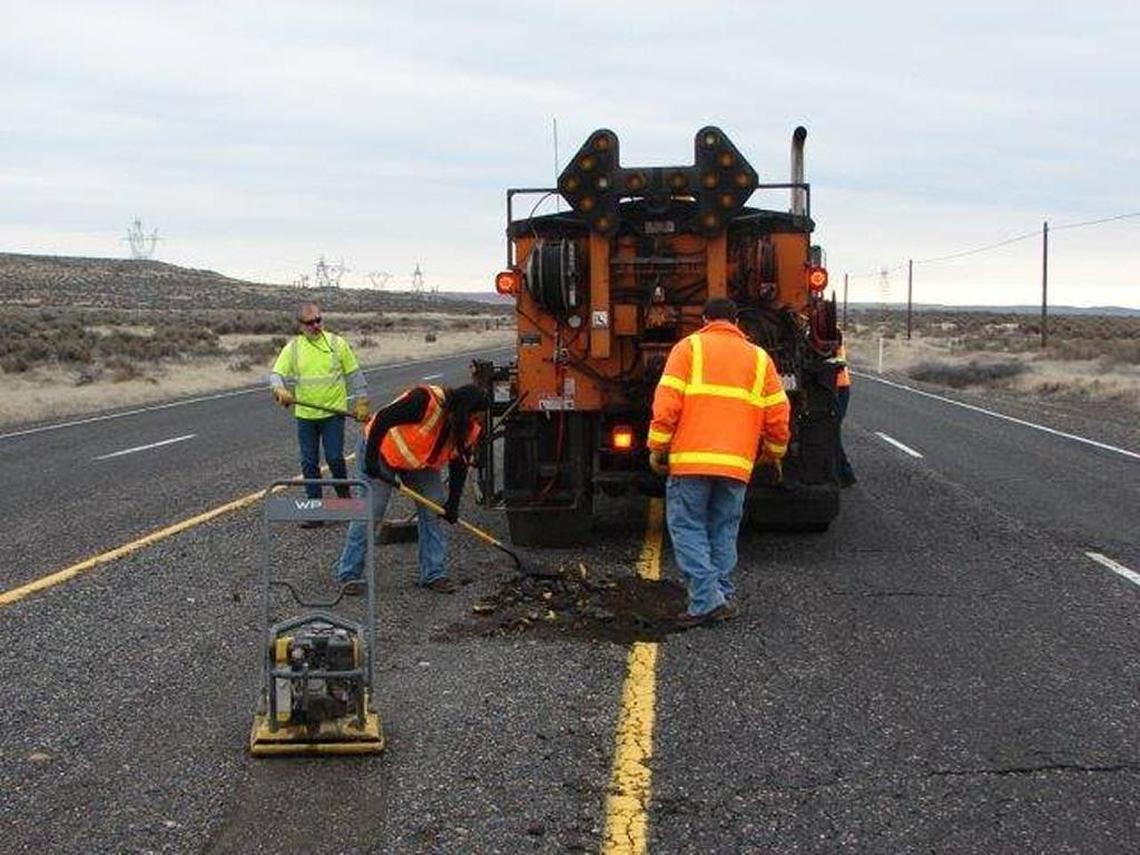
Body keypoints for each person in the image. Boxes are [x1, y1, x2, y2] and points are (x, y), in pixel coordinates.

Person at [647, 297, 791, 628]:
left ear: (705, 319)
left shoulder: (689, 348)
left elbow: (666, 402)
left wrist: (658, 445)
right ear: (736, 322)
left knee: (688, 527)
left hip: (691, 461)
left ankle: (705, 601)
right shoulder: (759, 358)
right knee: (723, 529)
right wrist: (776, 450)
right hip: (737, 465)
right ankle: (721, 595)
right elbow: (778, 411)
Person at [335, 383, 487, 593]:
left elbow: (459, 465)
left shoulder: (467, 428)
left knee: (434, 507)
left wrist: (453, 503)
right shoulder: (424, 401)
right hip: (380, 451)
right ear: (464, 410)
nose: (478, 422)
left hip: (417, 461)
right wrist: (370, 459)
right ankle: (349, 574)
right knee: (372, 509)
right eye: (475, 416)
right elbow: (382, 419)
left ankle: (434, 574)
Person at [270, 302, 369, 521]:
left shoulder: (337, 343)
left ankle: (345, 501)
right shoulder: (293, 348)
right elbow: (276, 374)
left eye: (319, 320)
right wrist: (279, 389)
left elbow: (354, 374)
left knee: (334, 458)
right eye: (310, 322)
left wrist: (362, 401)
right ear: (300, 325)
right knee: (309, 462)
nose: (316, 325)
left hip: (333, 413)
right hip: (306, 416)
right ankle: (314, 509)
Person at [834, 337, 857, 487]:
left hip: (838, 386)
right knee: (832, 431)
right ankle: (841, 472)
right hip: (835, 385)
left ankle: (845, 473)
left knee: (831, 430)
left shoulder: (829, 330)